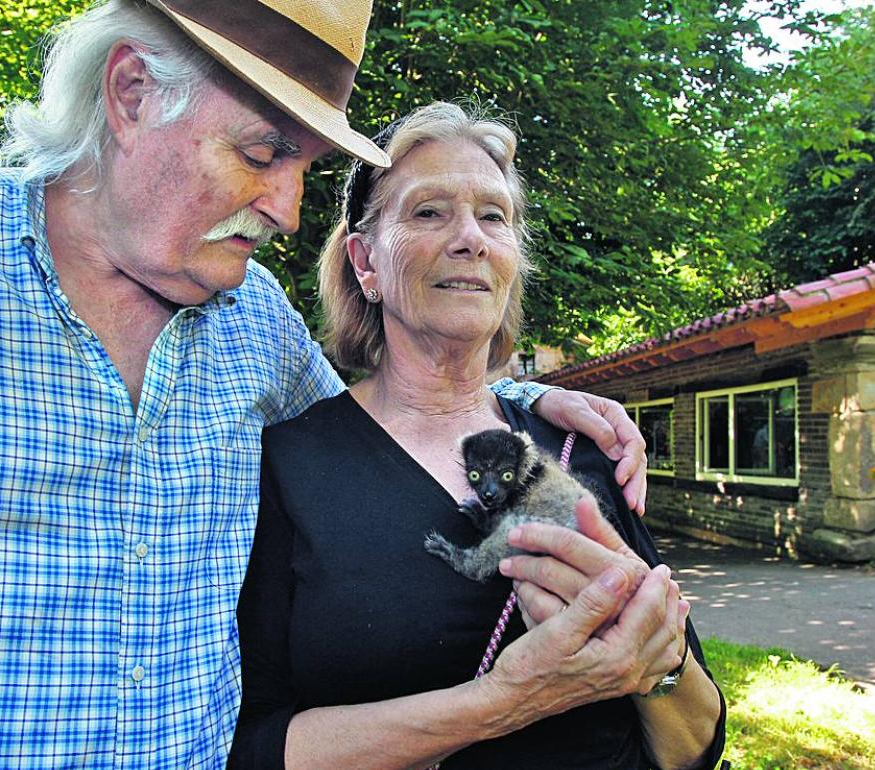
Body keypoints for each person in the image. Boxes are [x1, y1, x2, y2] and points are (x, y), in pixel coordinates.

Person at [0, 2, 649, 768]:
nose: (288, 208)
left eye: (303, 168)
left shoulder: (254, 322)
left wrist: (528, 409)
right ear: (132, 92)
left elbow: (381, 430)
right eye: (264, 152)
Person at [229, 102, 726, 770]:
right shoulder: (289, 466)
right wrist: (508, 700)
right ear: (365, 262)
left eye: (494, 216)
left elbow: (696, 743)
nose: (471, 238)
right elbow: (255, 748)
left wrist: (657, 661)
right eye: (428, 212)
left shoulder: (580, 447)